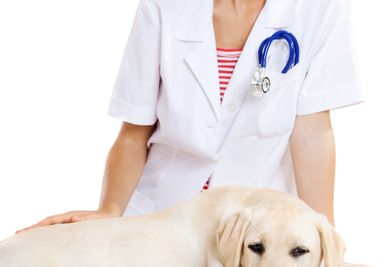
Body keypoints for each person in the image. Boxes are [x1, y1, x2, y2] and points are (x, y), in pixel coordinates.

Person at [17, 0, 363, 233]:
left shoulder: (318, 8)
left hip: (260, 229)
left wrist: (323, 232)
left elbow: (313, 132)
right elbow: (133, 133)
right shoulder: (164, 6)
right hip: (161, 224)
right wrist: (110, 211)